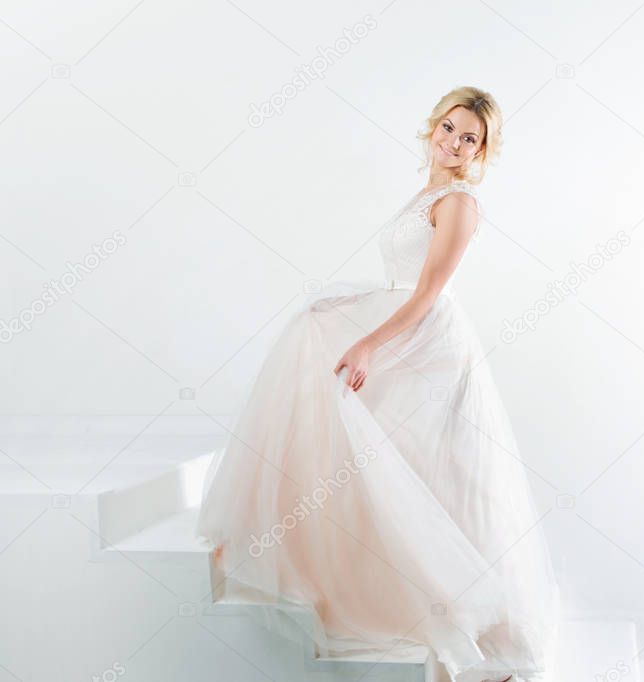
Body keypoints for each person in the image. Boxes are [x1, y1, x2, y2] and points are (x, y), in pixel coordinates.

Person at [195, 86, 561, 682]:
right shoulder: (430, 191)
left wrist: (368, 340)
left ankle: (471, 633)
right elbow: (401, 279)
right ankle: (288, 555)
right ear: (434, 126)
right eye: (449, 128)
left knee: (422, 470)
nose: (455, 143)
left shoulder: (461, 203)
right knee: (316, 345)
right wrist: (353, 309)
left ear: (484, 149)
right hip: (406, 322)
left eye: (471, 137)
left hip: (431, 342)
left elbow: (427, 293)